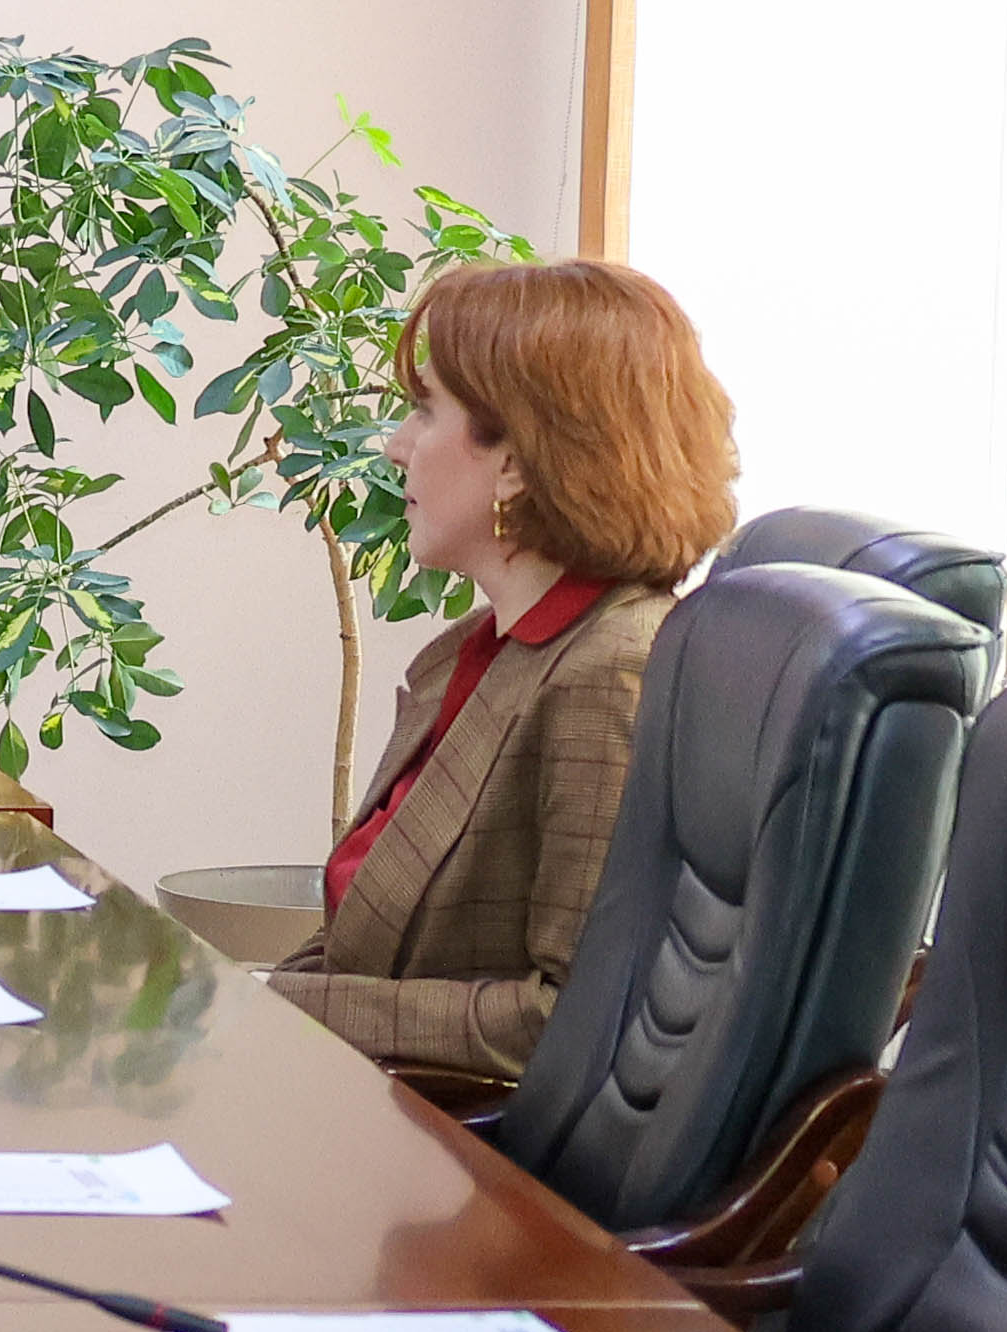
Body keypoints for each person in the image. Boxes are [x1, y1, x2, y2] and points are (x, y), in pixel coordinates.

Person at [270, 256, 737, 1077]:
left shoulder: (609, 672)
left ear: (516, 460)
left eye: (424, 411)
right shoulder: (481, 649)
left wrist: (268, 1006)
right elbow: (357, 936)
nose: (394, 447)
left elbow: (564, 1020)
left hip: (444, 1141)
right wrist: (235, 996)